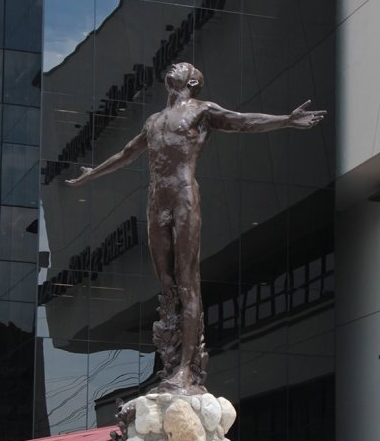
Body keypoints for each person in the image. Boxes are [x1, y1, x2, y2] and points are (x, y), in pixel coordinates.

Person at [66, 61, 325, 392]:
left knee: (188, 281)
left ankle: (187, 370)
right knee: (167, 284)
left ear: (191, 80)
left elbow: (244, 122)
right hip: (156, 202)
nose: (174, 66)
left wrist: (286, 121)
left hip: (184, 196)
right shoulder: (154, 121)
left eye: (182, 66)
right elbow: (126, 154)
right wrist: (92, 174)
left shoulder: (202, 110)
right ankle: (171, 364)